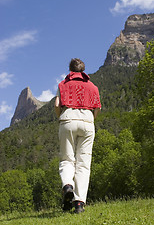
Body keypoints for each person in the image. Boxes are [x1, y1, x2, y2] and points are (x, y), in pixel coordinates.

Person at [54, 58, 101, 213]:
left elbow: (56, 104)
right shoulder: (93, 86)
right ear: (83, 69)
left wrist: (61, 118)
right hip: (87, 121)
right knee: (83, 163)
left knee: (67, 158)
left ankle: (68, 185)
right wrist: (90, 120)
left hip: (67, 118)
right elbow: (97, 108)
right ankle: (79, 203)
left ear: (70, 70)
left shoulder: (63, 84)